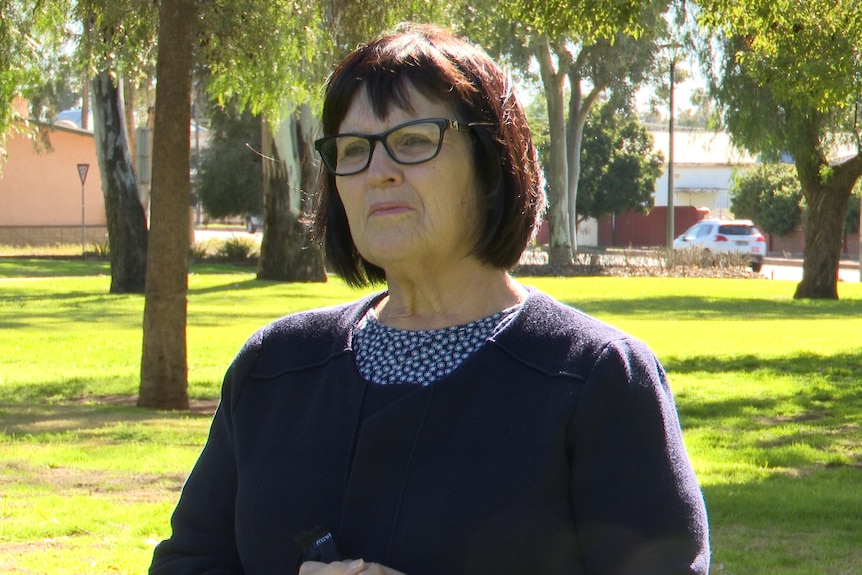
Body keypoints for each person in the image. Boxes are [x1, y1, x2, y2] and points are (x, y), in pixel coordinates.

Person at [149, 23, 710, 575]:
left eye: (413, 141)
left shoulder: (596, 378)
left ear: (492, 162)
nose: (378, 172)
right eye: (352, 150)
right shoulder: (274, 368)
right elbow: (187, 562)